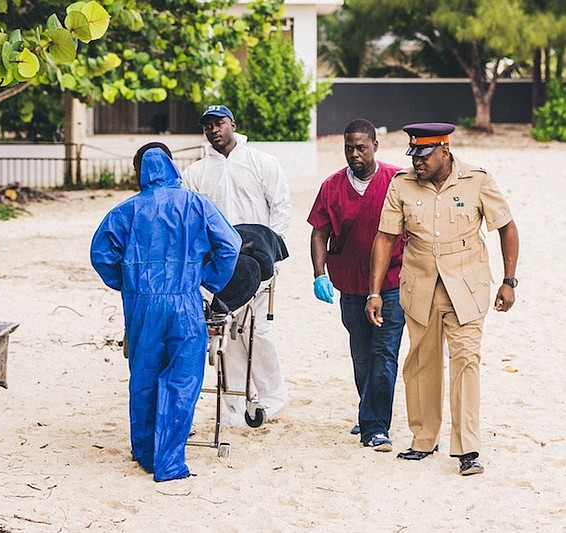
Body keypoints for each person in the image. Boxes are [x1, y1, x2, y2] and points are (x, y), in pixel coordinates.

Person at [365, 123, 520, 476]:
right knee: (421, 362)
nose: (417, 162)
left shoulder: (477, 180)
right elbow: (386, 238)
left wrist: (509, 281)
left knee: (466, 360)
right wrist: (374, 291)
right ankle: (424, 438)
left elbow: (507, 227)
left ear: (444, 151)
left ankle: (467, 448)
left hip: (466, 284)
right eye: (413, 155)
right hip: (420, 284)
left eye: (424, 156)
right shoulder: (401, 184)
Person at [90, 142, 241, 482]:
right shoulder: (197, 204)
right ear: (173, 167)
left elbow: (101, 255)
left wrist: (129, 283)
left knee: (144, 377)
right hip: (185, 301)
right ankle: (169, 462)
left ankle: (145, 454)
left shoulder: (125, 211)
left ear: (139, 172)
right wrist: (207, 281)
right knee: (182, 380)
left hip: (143, 303)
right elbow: (230, 245)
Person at [182, 104, 291, 427]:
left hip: (258, 263)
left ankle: (273, 397)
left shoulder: (262, 163)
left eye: (219, 123)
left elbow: (281, 207)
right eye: (208, 126)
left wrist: (272, 249)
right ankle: (235, 406)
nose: (214, 130)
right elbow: (192, 222)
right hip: (218, 267)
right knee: (226, 334)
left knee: (258, 330)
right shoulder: (196, 173)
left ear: (233, 124)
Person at [307, 118, 405, 452]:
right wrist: (319, 274)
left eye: (361, 147)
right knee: (362, 356)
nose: (355, 154)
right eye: (349, 147)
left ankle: (376, 427)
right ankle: (369, 410)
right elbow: (319, 232)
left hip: (393, 282)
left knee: (384, 354)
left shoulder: (397, 181)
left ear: (375, 146)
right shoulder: (332, 186)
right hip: (350, 284)